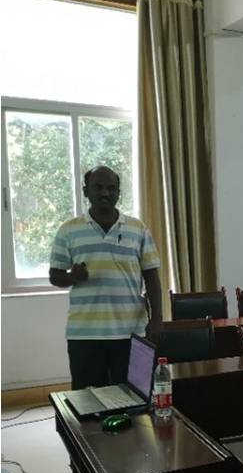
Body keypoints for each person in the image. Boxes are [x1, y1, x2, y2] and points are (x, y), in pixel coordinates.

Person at [49, 166, 162, 390]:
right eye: (98, 187)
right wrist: (72, 277)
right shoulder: (68, 230)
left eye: (111, 188)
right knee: (88, 401)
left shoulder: (138, 229)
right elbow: (55, 276)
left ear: (118, 193)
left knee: (135, 397)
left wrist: (157, 318)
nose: (105, 193)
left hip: (132, 332)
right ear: (86, 191)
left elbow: (151, 276)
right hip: (85, 334)